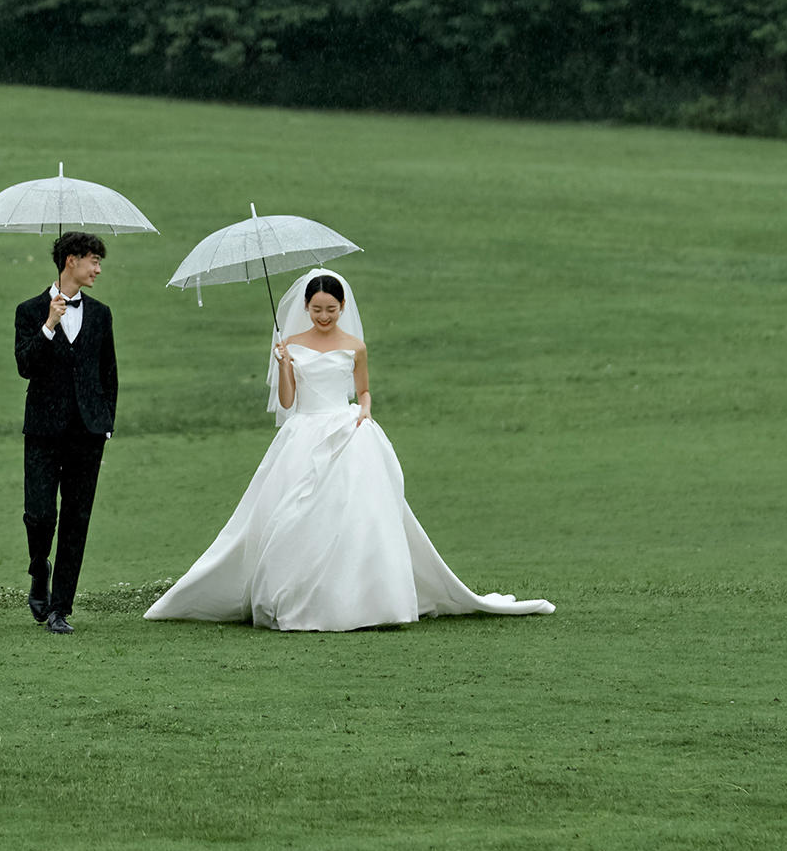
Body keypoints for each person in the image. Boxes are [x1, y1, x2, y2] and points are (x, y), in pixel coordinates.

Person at [144, 268, 553, 630]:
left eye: (331, 309)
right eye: (317, 309)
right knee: (294, 513)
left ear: (342, 307)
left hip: (347, 426)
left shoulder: (355, 346)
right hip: (304, 433)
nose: (324, 317)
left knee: (358, 511)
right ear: (306, 307)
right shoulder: (291, 344)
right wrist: (284, 364)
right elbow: (287, 403)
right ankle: (299, 596)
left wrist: (365, 413)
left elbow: (364, 390)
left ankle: (366, 599)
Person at [14, 230, 119, 633]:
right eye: (93, 261)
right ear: (70, 260)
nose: (97, 269)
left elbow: (108, 374)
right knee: (39, 515)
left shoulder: (102, 314)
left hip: (87, 433)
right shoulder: (29, 311)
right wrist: (49, 325)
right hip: (42, 431)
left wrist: (105, 424)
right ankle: (39, 569)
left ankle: (60, 608)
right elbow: (25, 365)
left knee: (77, 518)